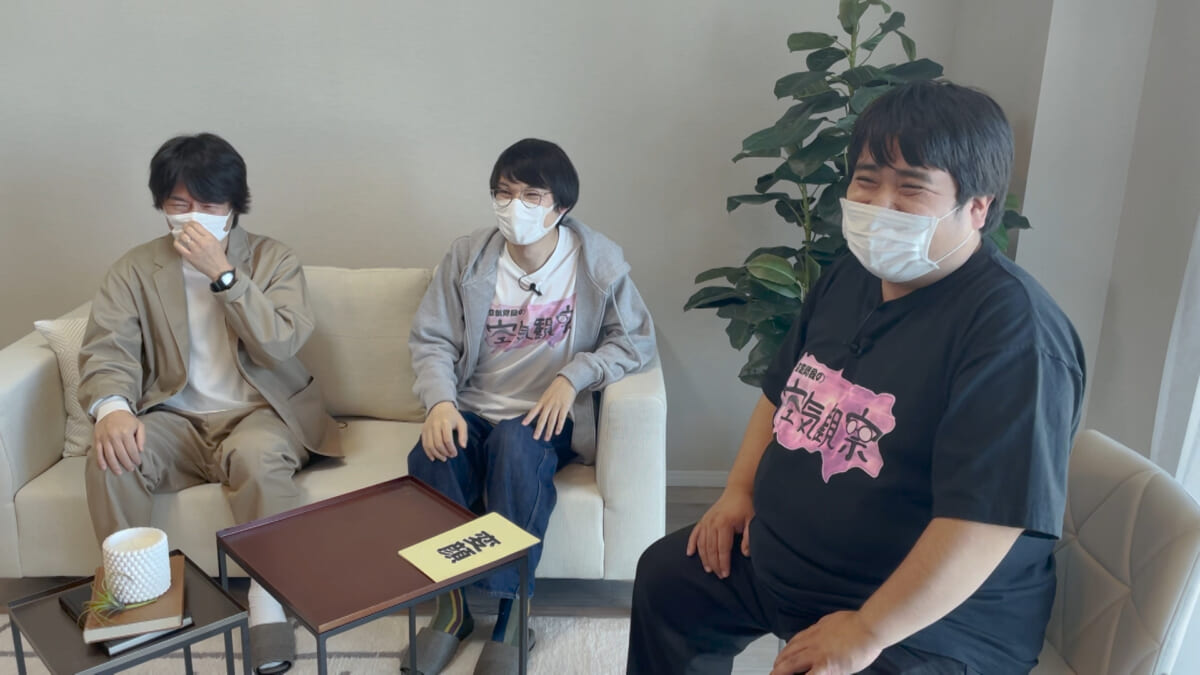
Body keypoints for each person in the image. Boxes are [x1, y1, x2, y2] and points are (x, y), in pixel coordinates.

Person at [627, 81, 1086, 675]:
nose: (880, 204)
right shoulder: (851, 276)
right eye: (867, 180)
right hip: (789, 564)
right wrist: (739, 492)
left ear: (977, 207)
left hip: (927, 620)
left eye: (911, 187)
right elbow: (781, 395)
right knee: (670, 579)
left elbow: (985, 521)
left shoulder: (1015, 334)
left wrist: (869, 630)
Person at [79, 133, 340, 674]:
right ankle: (132, 602)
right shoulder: (134, 269)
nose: (193, 216)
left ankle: (268, 600)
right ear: (161, 205)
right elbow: (108, 348)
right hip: (173, 418)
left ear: (234, 206)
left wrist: (224, 275)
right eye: (179, 204)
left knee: (257, 458)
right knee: (111, 457)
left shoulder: (273, 259)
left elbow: (279, 344)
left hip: (260, 412)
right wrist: (113, 408)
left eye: (209, 204)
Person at [405, 138, 657, 674]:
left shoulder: (596, 264)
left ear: (560, 206)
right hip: (474, 407)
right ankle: (451, 610)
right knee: (431, 455)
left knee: (517, 447)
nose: (514, 206)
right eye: (504, 193)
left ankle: (513, 613)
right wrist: (440, 403)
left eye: (531, 196)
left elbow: (634, 340)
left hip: (545, 415)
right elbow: (432, 340)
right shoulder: (467, 258)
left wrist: (573, 377)